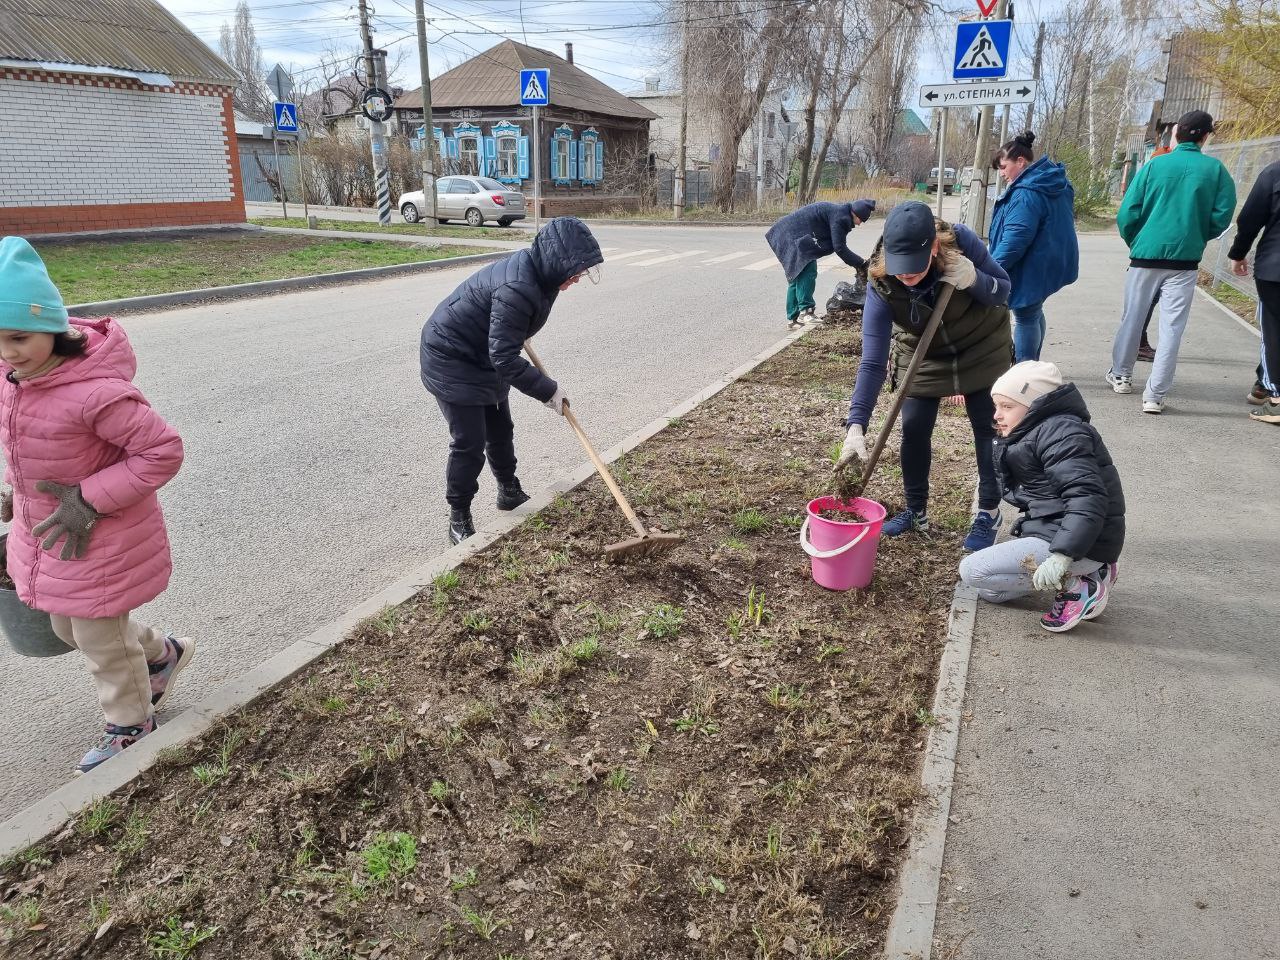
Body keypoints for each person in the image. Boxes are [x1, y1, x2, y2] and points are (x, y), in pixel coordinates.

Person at [0, 237, 190, 773]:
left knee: (98, 639)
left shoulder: (95, 393)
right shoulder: (14, 381)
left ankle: (131, 726)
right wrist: (17, 490)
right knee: (67, 629)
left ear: (55, 328)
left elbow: (161, 451)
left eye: (20, 336)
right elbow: (27, 446)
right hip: (54, 535)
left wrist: (87, 499)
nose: (8, 352)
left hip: (100, 536)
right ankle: (159, 655)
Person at [836, 201, 1012, 553]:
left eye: (914, 269)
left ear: (933, 247)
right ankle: (916, 512)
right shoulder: (880, 281)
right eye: (900, 269)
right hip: (922, 352)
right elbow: (871, 362)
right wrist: (856, 426)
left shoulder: (962, 243)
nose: (905, 276)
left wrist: (975, 279)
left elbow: (1005, 290)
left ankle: (989, 511)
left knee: (987, 428)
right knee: (914, 427)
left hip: (981, 345)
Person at [420, 217, 603, 545]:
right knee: (470, 442)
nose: (578, 277)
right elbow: (504, 357)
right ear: (555, 261)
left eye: (582, 270)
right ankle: (459, 515)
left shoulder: (545, 277)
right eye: (575, 269)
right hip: (452, 356)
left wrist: (512, 336)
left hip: (484, 354)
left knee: (501, 429)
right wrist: (548, 390)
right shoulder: (519, 286)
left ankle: (508, 491)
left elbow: (504, 341)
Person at [959, 361, 1125, 633]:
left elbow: (1087, 498)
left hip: (1083, 541)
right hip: (1058, 530)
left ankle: (1078, 585)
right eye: (997, 406)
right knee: (990, 591)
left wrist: (1062, 556)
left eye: (1007, 407)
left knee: (972, 571)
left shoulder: (1062, 434)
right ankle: (1095, 571)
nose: (997, 415)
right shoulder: (1035, 430)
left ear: (1034, 404)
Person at [1107, 109, 1236, 414]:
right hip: (1185, 260)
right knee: (1173, 328)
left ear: (1176, 133)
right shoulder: (1216, 171)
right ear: (1205, 137)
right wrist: (1198, 234)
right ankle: (1155, 395)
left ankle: (1121, 376)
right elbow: (1222, 216)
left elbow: (1128, 212)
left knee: (1133, 318)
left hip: (1144, 255)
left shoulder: (1154, 166)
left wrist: (1135, 239)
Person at [988, 130, 1079, 362]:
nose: (1002, 174)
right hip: (1050, 259)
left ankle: (1024, 371)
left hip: (1031, 263)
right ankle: (1033, 363)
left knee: (1026, 313)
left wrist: (991, 268)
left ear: (1020, 161)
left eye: (1003, 166)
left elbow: (1016, 238)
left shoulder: (1026, 193)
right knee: (1034, 310)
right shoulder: (1051, 181)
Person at [1226, 157, 1280, 424]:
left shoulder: (1274, 172)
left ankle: (1277, 399)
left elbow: (1250, 219)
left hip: (1275, 268)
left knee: (1274, 330)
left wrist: (1238, 253)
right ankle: (1265, 387)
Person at [765, 198, 875, 328]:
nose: (860, 224)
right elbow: (839, 247)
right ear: (856, 214)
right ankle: (806, 312)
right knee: (808, 271)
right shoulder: (840, 217)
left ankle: (792, 319)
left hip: (788, 234)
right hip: (794, 236)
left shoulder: (839, 212)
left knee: (796, 277)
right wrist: (861, 263)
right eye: (861, 220)